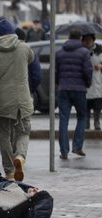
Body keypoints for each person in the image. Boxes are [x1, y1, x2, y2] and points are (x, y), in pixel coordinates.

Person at [0, 19, 34, 181]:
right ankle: (20, 156)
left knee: (4, 135)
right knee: (23, 132)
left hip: (2, 102)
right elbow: (31, 60)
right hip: (23, 100)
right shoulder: (24, 48)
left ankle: (9, 171)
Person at [56, 28, 93, 159]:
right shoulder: (84, 52)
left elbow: (55, 71)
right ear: (80, 38)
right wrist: (87, 84)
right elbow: (88, 71)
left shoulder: (60, 52)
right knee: (82, 117)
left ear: (68, 37)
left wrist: (59, 83)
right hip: (79, 90)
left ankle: (64, 151)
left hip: (63, 89)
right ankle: (77, 147)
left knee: (63, 119)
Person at [15, 28, 41, 112]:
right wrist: (30, 89)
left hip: (6, 94)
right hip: (24, 91)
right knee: (23, 120)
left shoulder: (4, 50)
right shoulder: (29, 51)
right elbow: (37, 76)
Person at [82, 34, 102, 130]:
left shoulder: (99, 49)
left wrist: (101, 65)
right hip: (85, 80)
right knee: (86, 105)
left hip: (97, 79)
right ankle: (86, 122)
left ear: (93, 40)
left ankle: (97, 122)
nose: (88, 41)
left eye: (89, 39)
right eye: (86, 40)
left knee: (97, 104)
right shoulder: (81, 50)